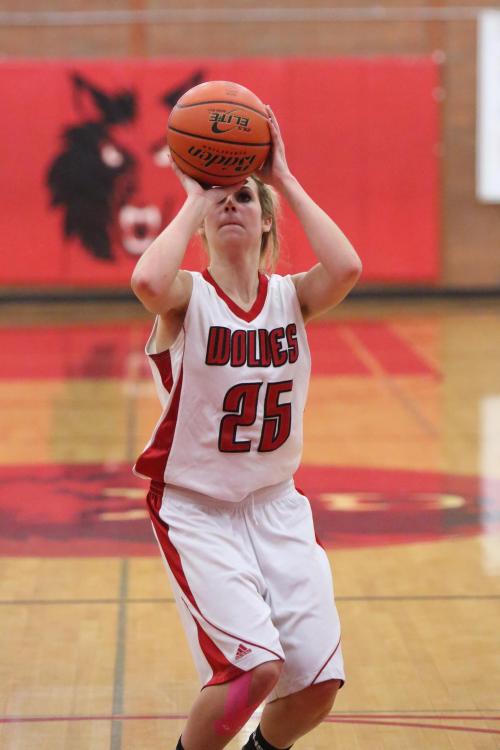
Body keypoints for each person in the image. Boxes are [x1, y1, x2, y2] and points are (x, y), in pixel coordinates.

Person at [131, 105, 362, 750]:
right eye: (219, 200)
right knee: (253, 668)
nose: (231, 205)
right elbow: (146, 279)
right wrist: (195, 194)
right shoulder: (187, 298)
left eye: (244, 198)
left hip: (276, 506)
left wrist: (281, 176)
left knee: (316, 683)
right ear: (203, 224)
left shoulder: (292, 296)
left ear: (266, 222)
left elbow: (346, 268)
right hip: (197, 509)